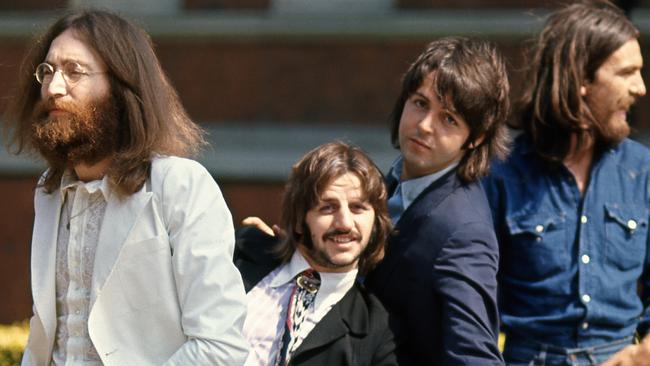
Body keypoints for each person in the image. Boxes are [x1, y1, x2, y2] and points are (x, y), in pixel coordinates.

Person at [4, 9, 249, 365]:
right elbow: (46, 337)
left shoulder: (180, 185)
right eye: (48, 71)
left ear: (121, 87)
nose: (54, 88)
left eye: (74, 71)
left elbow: (220, 347)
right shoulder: (50, 191)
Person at [482, 1, 649, 364]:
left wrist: (642, 353)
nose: (641, 88)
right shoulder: (501, 171)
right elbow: (473, 299)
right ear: (581, 80)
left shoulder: (644, 170)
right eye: (627, 73)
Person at [363, 36, 509, 365]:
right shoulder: (391, 183)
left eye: (449, 119)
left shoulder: (464, 231)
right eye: (420, 103)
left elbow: (475, 356)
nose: (425, 125)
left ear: (477, 138)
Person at [236, 142, 396, 366]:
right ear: (300, 219)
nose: (345, 223)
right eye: (327, 207)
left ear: (375, 223)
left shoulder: (375, 332)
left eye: (358, 207)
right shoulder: (241, 252)